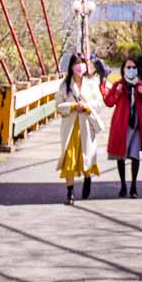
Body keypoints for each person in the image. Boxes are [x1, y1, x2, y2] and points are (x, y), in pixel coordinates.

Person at [55, 52, 106, 204]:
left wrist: (87, 106)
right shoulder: (65, 86)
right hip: (70, 128)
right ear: (71, 67)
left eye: (82, 63)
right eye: (77, 63)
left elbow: (99, 103)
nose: (80, 66)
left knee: (86, 157)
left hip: (86, 125)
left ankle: (87, 178)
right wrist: (72, 106)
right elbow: (58, 106)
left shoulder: (92, 83)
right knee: (69, 159)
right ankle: (70, 193)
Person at [102, 56, 142, 197]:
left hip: (135, 125)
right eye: (128, 67)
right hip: (121, 125)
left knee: (135, 156)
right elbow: (109, 102)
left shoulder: (140, 85)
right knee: (120, 156)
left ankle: (134, 186)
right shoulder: (119, 84)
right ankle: (123, 185)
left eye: (134, 67)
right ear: (123, 69)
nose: (131, 70)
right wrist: (117, 92)